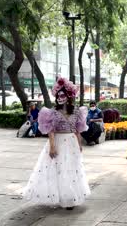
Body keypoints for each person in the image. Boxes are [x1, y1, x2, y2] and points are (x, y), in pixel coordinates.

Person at [22, 77, 90, 210]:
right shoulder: (52, 112)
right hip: (58, 141)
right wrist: (52, 147)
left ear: (70, 96)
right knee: (58, 170)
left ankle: (69, 197)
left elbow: (77, 130)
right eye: (58, 95)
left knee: (71, 169)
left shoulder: (77, 111)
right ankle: (59, 197)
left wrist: (79, 144)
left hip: (71, 143)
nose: (60, 97)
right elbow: (51, 131)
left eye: (63, 95)